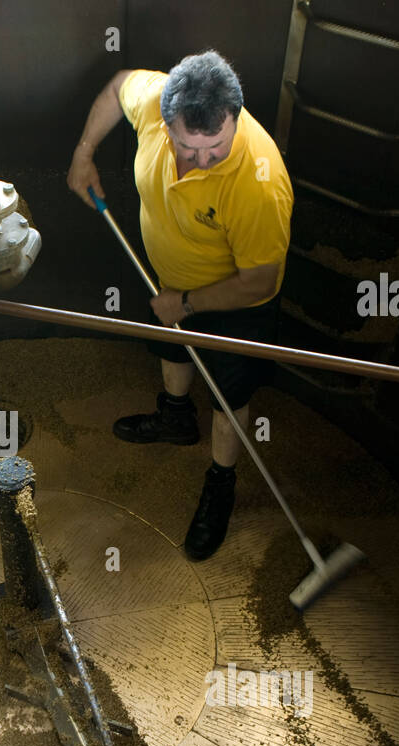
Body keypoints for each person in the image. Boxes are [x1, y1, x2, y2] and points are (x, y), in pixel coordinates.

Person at [67, 51, 293, 561]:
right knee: (171, 349)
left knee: (228, 398)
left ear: (233, 118)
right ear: (166, 122)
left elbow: (260, 279)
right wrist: (84, 152)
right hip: (170, 281)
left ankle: (221, 481)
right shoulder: (154, 99)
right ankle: (174, 417)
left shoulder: (259, 182)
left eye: (216, 147)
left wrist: (187, 304)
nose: (203, 161)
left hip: (235, 302)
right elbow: (117, 86)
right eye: (189, 148)